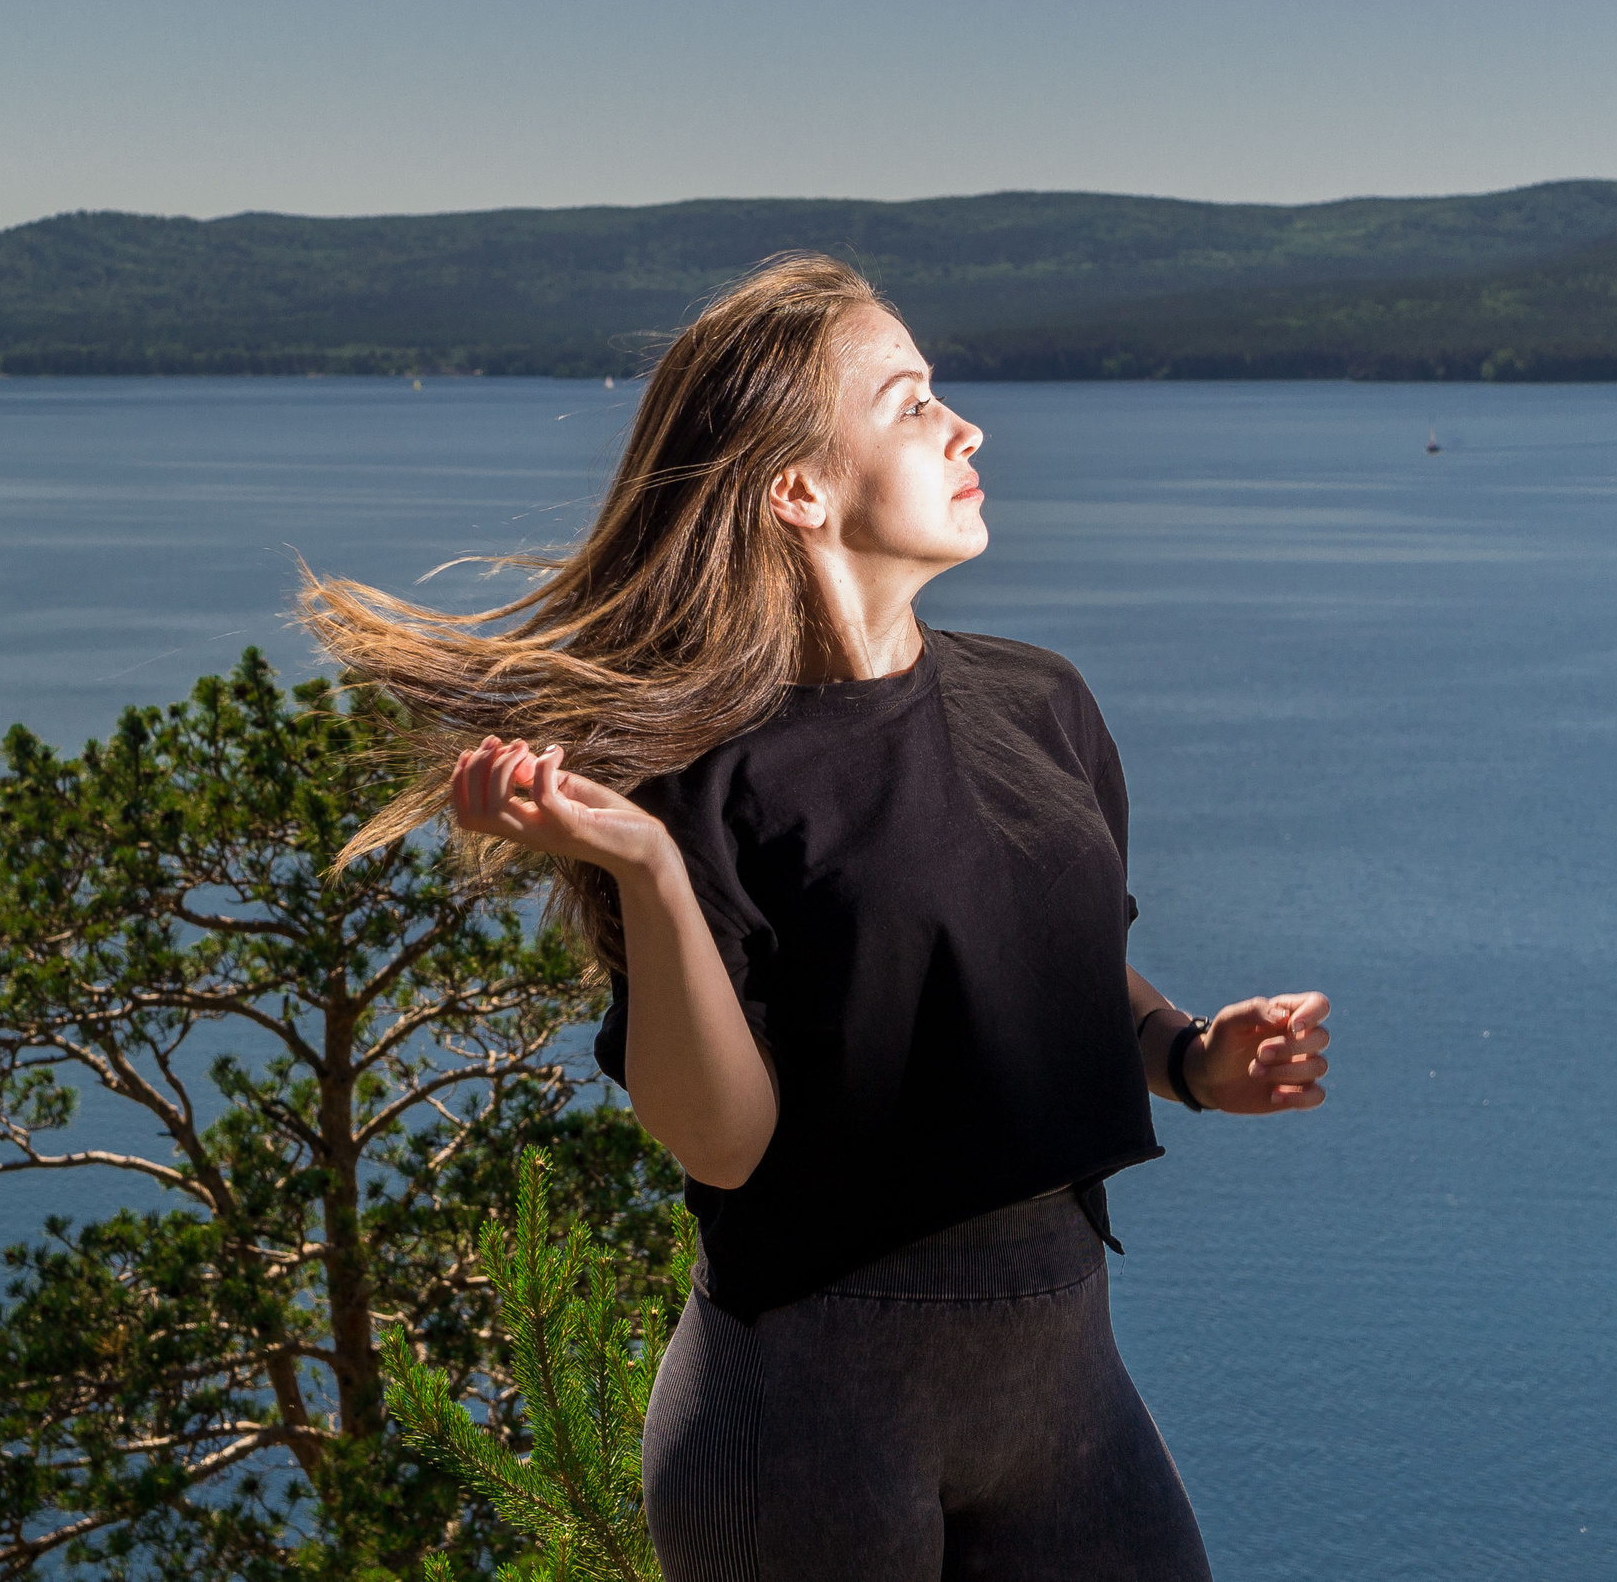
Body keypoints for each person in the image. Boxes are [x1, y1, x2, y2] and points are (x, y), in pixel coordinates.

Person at [302, 253, 1332, 1581]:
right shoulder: (702, 783)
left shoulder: (1044, 705)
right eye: (911, 404)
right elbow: (722, 1145)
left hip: (1069, 1397)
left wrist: (1188, 1056)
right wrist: (651, 872)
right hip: (803, 1424)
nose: (967, 429)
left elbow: (1051, 975)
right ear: (797, 490)